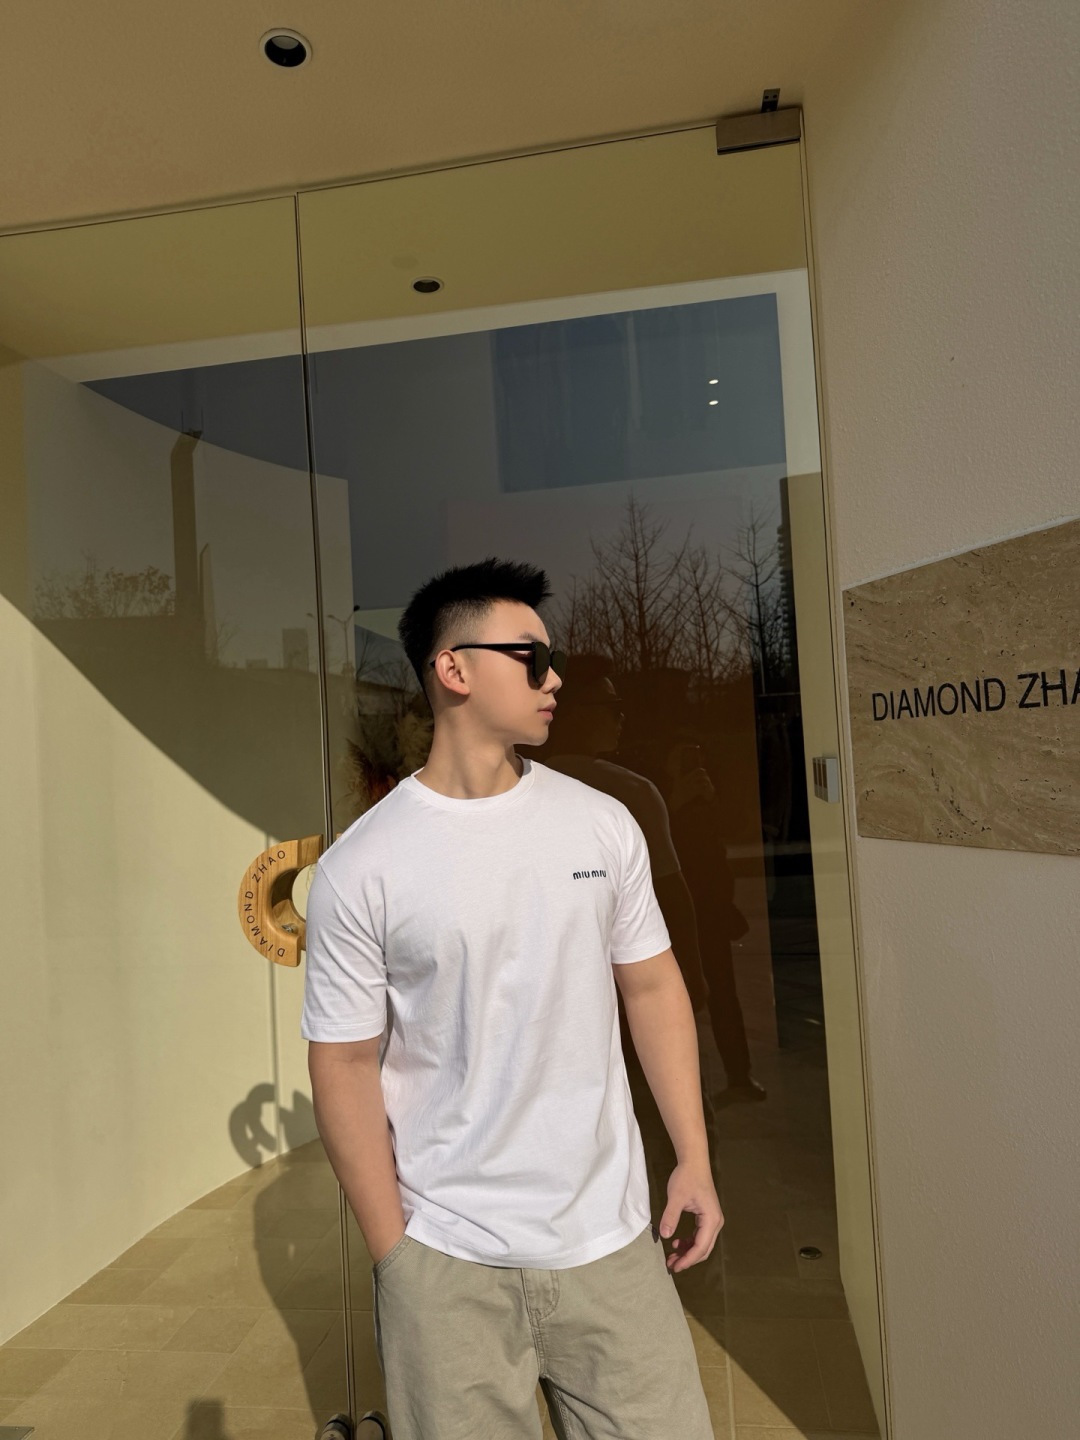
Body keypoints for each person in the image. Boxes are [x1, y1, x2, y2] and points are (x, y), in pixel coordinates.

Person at [301, 557, 720, 1440]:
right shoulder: (361, 866)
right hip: (447, 1262)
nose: (554, 677)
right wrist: (396, 1255)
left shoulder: (601, 823)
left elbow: (652, 986)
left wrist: (693, 1154)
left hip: (610, 1245)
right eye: (530, 657)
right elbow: (341, 1061)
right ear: (453, 669)